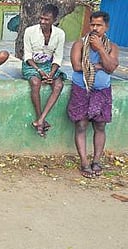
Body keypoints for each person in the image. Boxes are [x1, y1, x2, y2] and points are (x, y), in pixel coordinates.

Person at [67, 11, 119, 178]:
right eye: (93, 25)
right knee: (81, 125)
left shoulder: (112, 47)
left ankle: (96, 160)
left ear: (106, 27)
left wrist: (100, 50)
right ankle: (84, 162)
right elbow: (76, 66)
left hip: (102, 91)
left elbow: (111, 67)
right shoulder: (79, 44)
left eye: (99, 25)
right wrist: (98, 66)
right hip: (81, 89)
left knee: (100, 125)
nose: (95, 28)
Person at [22, 4, 66, 138]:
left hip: (49, 65)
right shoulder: (30, 31)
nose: (42, 22)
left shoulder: (60, 34)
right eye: (41, 18)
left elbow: (58, 57)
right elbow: (27, 56)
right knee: (35, 83)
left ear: (54, 20)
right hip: (32, 65)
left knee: (58, 85)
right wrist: (39, 71)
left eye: (46, 19)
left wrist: (51, 73)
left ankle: (41, 120)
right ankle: (40, 117)